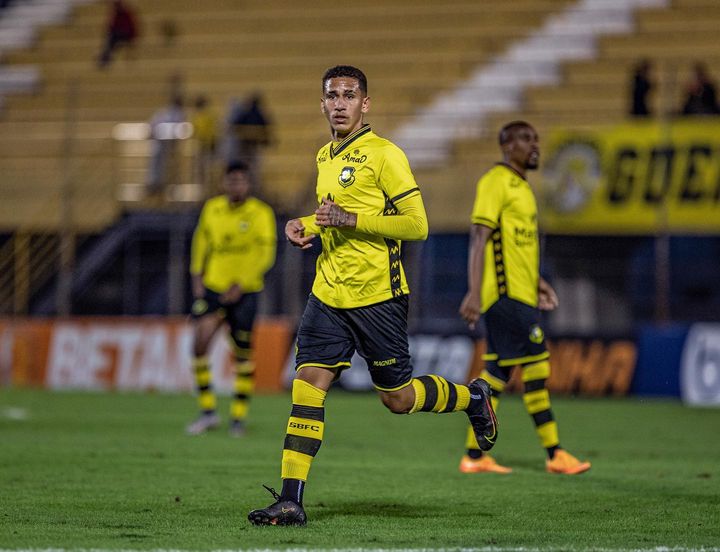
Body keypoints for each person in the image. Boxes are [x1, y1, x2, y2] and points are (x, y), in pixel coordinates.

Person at [247, 65, 498, 527]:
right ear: (321, 104)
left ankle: (473, 397)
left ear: (366, 104)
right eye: (332, 96)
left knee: (397, 399)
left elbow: (417, 225)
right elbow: (334, 215)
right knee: (307, 386)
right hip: (327, 296)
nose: (339, 103)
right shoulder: (324, 154)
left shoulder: (386, 155)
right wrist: (306, 223)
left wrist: (350, 222)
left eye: (349, 95)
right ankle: (290, 499)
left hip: (378, 297)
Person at [457, 121, 591, 476]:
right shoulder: (495, 181)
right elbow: (479, 238)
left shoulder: (523, 188)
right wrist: (473, 291)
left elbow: (516, 248)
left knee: (497, 373)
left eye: (536, 138)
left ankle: (474, 455)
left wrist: (536, 283)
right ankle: (555, 454)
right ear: (507, 145)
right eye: (527, 139)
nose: (536, 145)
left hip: (521, 293)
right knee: (537, 365)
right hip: (504, 298)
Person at [186, 161, 277, 437]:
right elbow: (201, 244)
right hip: (215, 287)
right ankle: (208, 412)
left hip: (246, 291)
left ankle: (238, 418)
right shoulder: (212, 209)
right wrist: (197, 278)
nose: (236, 185)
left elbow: (265, 254)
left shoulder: (261, 213)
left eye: (240, 181)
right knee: (199, 345)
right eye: (231, 181)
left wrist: (242, 284)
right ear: (224, 183)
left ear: (248, 184)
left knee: (242, 355)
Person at [146, 95, 186, 196]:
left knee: (166, 166)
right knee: (157, 164)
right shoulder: (166, 114)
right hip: (161, 144)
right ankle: (156, 184)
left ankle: (162, 185)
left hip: (170, 146)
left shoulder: (175, 114)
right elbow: (153, 126)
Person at [190, 95, 219, 193]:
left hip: (209, 146)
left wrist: (211, 143)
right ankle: (202, 189)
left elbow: (213, 131)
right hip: (202, 146)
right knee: (202, 169)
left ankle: (211, 188)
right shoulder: (197, 117)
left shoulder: (208, 116)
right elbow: (195, 132)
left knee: (209, 168)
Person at [97, 0, 138, 69]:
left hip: (126, 35)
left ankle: (105, 58)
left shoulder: (126, 13)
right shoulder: (116, 14)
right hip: (119, 35)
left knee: (111, 40)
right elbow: (111, 26)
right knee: (110, 41)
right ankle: (105, 58)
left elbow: (132, 28)